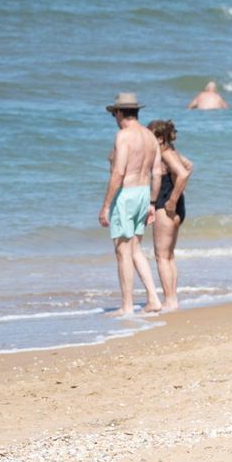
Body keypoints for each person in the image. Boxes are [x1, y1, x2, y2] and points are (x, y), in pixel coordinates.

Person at [98, 93, 162, 316]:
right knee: (135, 249)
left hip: (126, 194)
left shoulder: (123, 136)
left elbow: (118, 172)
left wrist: (106, 206)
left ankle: (127, 306)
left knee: (122, 251)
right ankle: (153, 299)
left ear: (119, 112)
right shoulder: (150, 136)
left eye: (114, 114)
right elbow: (157, 173)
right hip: (144, 193)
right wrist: (152, 203)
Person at [147, 119, 193, 312]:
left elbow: (183, 173)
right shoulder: (172, 151)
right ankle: (172, 299)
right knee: (168, 256)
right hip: (175, 204)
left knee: (161, 256)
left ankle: (170, 301)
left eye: (150, 136)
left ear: (159, 138)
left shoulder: (165, 154)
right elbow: (189, 165)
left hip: (167, 205)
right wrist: (179, 192)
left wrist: (172, 200)